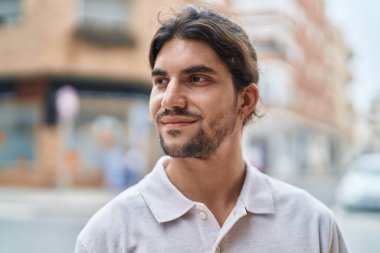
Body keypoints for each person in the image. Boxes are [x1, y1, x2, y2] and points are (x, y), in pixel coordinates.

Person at [75, 5, 348, 253]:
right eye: (161, 81)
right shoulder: (107, 236)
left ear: (246, 100)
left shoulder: (313, 227)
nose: (169, 99)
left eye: (196, 79)